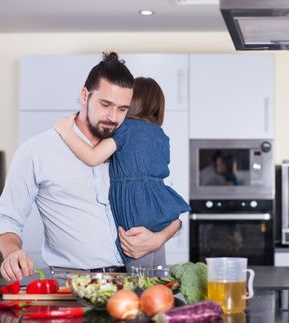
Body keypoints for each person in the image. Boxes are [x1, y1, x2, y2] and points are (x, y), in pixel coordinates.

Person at [0, 52, 182, 281]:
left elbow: (170, 213)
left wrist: (159, 238)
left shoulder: (134, 146)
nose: (113, 116)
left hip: (133, 285)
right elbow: (6, 218)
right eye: (105, 104)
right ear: (84, 95)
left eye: (122, 109)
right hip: (72, 284)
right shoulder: (36, 151)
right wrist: (11, 251)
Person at [54, 77, 190, 267]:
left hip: (135, 209)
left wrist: (65, 131)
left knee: (137, 282)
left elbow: (92, 157)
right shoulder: (160, 135)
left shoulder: (125, 128)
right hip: (159, 210)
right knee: (158, 278)